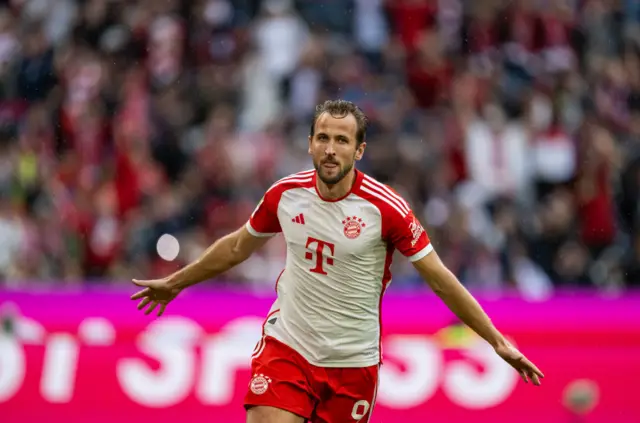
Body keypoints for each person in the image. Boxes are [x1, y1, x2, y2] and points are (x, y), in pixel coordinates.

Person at [130, 100, 544, 423]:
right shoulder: (285, 195)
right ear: (310, 142)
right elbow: (238, 247)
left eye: (342, 141)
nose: (330, 150)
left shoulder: (387, 210)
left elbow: (439, 279)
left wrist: (495, 339)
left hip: (353, 364)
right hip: (288, 347)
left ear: (359, 149)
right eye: (323, 138)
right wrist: (177, 282)